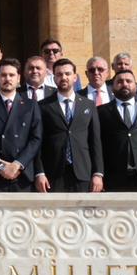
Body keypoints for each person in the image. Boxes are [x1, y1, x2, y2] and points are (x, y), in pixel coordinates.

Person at [35, 58, 104, 193]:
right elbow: (38, 141)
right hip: (52, 173)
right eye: (59, 74)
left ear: (75, 77)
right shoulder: (43, 106)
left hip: (83, 172)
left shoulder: (88, 105)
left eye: (67, 73)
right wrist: (40, 172)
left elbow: (95, 141)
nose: (63, 77)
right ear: (54, 78)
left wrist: (98, 173)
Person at [0, 58, 42, 191]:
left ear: (18, 78)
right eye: (3, 75)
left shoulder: (31, 105)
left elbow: (36, 138)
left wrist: (17, 164)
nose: (7, 79)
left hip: (23, 175)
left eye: (11, 75)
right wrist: (0, 166)